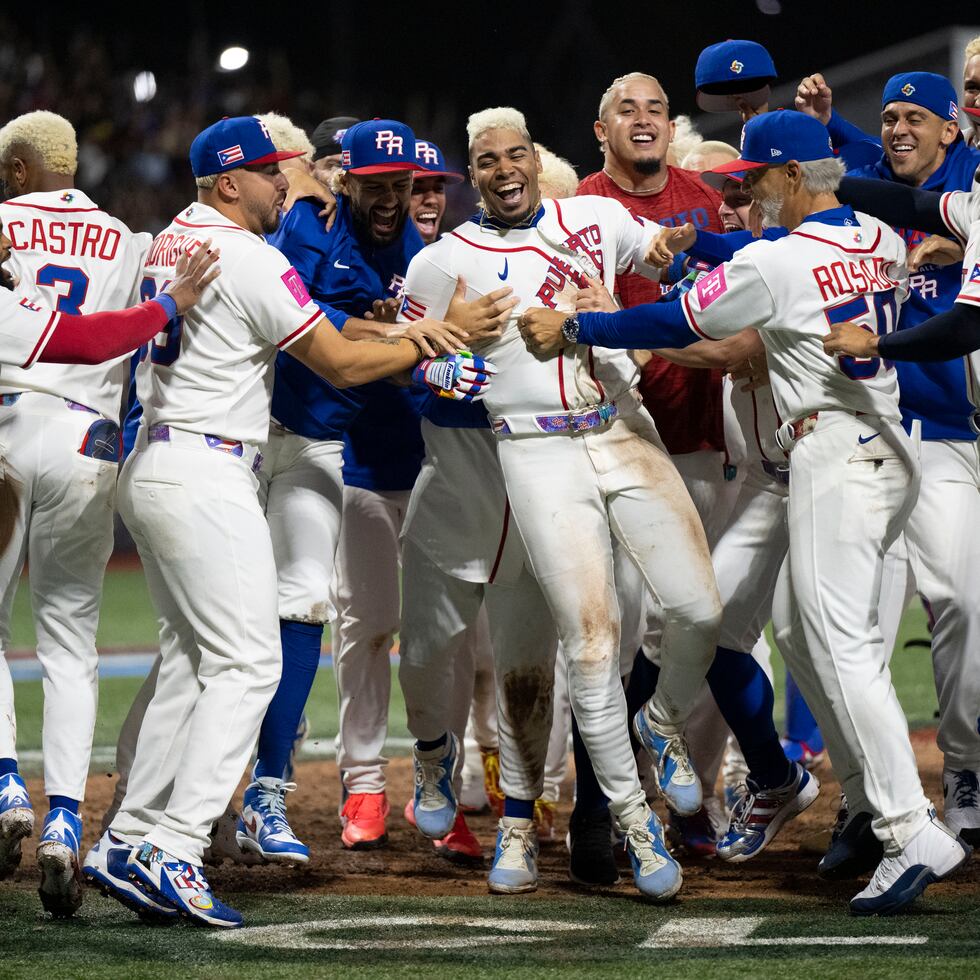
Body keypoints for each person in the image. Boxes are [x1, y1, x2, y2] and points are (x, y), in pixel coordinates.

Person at [519, 110, 973, 917]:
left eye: (756, 180)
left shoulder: (780, 259)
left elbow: (677, 320)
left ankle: (910, 826)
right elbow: (761, 257)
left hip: (835, 452)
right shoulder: (874, 236)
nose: (750, 196)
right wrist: (701, 246)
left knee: (844, 645)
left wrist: (582, 323)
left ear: (793, 175)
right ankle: (866, 803)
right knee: (798, 633)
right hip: (879, 443)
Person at [79, 115, 478, 929]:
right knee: (249, 662)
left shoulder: (173, 236)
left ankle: (128, 838)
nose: (287, 183)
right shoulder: (249, 254)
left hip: (158, 458)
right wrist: (430, 345)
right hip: (206, 465)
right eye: (271, 173)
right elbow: (339, 361)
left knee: (192, 663)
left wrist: (401, 334)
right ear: (229, 183)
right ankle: (176, 847)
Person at [399, 105, 724, 901]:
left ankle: (659, 720)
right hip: (532, 451)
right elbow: (409, 355)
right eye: (487, 160)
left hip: (620, 426)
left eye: (515, 154)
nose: (504, 170)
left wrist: (672, 260)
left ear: (533, 160)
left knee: (698, 610)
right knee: (589, 644)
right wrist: (442, 368)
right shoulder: (444, 259)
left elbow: (664, 263)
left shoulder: (593, 217)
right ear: (472, 175)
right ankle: (635, 825)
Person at [0, 109, 155, 917]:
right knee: (69, 641)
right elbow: (124, 341)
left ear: (18, 169)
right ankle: (65, 821)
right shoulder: (126, 240)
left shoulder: (2, 225)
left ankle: (4, 786)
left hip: (6, 423)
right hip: (88, 437)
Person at [410, 139, 464, 244]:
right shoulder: (376, 253)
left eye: (438, 188)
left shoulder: (457, 249)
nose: (432, 200)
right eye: (417, 190)